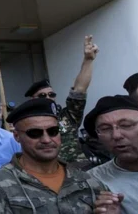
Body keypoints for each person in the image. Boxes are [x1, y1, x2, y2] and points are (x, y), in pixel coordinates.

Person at [23, 35, 99, 164]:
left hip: (78, 170)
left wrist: (88, 60)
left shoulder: (67, 116)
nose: (48, 97)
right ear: (33, 99)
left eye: (51, 94)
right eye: (42, 95)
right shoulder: (26, 123)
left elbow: (79, 90)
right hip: (47, 173)